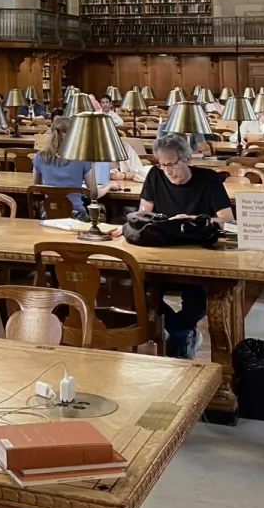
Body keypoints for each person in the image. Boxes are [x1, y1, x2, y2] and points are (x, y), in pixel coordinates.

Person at [132, 134, 234, 359]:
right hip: (161, 248)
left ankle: (180, 333)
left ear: (187, 159)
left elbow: (228, 220)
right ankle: (182, 333)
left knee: (197, 299)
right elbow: (142, 215)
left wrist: (192, 218)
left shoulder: (208, 179)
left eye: (172, 164)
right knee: (140, 291)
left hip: (197, 251)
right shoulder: (155, 176)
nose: (167, 170)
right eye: (163, 164)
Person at [32, 117, 120, 218]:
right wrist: (109, 185)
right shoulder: (81, 158)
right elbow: (93, 194)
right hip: (75, 215)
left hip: (49, 215)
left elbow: (37, 187)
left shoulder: (40, 157)